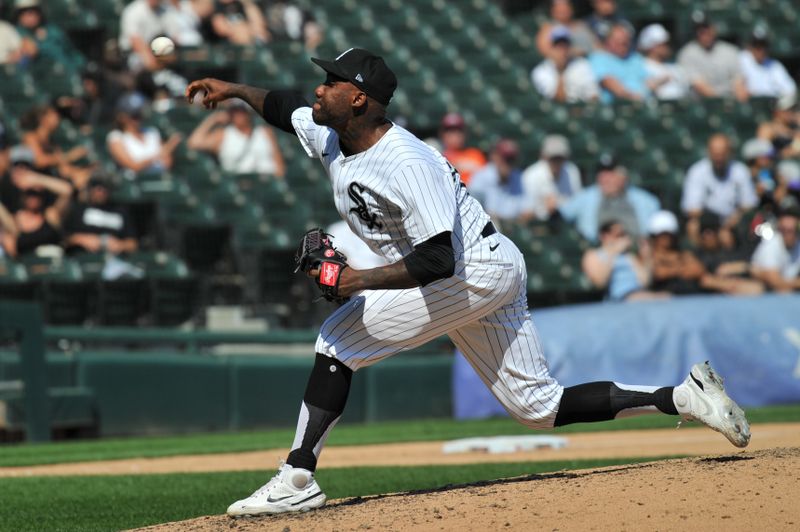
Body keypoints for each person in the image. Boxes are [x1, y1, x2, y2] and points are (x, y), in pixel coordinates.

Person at [186, 47, 750, 517]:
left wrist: (357, 280)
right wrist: (233, 89)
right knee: (538, 407)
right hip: (482, 268)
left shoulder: (408, 162)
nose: (318, 87)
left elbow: (437, 261)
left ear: (358, 98)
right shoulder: (332, 133)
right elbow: (283, 106)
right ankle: (681, 396)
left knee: (337, 341)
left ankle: (297, 477)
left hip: (472, 269)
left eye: (330, 81)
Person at [559, 153, 660, 242]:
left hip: (635, 254)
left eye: (610, 173)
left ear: (623, 176)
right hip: (599, 255)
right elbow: (561, 214)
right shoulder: (585, 198)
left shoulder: (646, 201)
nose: (604, 178)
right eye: (601, 173)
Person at [681, 134, 758, 246]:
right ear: (709, 152)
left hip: (734, 221)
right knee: (692, 226)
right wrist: (717, 223)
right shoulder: (697, 171)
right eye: (715, 154)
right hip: (706, 221)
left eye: (722, 154)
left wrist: (732, 220)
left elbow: (749, 204)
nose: (719, 159)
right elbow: (692, 209)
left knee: (732, 233)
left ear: (730, 153)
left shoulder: (740, 171)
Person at [187, 101, 285, 176]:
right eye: (234, 112)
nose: (238, 116)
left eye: (241, 112)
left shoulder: (264, 132)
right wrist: (213, 119)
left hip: (266, 181)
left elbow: (279, 164)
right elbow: (193, 143)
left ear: (248, 113)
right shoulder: (223, 135)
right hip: (240, 184)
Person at [8, 146, 72, 256]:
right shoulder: (12, 215)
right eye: (29, 194)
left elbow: (67, 191)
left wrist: (36, 179)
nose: (33, 197)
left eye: (36, 194)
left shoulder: (49, 214)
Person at [581, 219, 665, 302]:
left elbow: (645, 282)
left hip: (639, 294)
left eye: (624, 235)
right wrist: (613, 252)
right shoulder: (593, 255)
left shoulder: (629, 256)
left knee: (666, 297)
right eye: (618, 235)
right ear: (604, 236)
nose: (623, 238)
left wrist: (646, 256)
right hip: (619, 298)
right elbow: (600, 282)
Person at [107, 93, 182, 177]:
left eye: (140, 114)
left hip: (160, 180)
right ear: (122, 117)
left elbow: (167, 163)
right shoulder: (116, 137)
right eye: (134, 115)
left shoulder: (152, 132)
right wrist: (160, 154)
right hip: (136, 183)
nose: (138, 119)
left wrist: (162, 154)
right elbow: (133, 166)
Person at [677, 11, 747, 101]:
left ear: (713, 28)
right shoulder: (687, 53)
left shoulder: (730, 51)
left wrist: (738, 102)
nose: (704, 32)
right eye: (699, 29)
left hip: (731, 102)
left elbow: (738, 81)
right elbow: (699, 86)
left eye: (706, 27)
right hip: (702, 104)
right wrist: (721, 103)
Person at [19, 104, 93, 189]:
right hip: (32, 183)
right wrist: (69, 156)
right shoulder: (30, 137)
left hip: (50, 183)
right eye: (54, 115)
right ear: (43, 119)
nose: (58, 118)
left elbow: (64, 169)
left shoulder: (52, 144)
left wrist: (85, 171)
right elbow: (39, 160)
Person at [64, 174, 138, 256]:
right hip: (84, 257)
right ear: (91, 189)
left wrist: (120, 245)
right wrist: (85, 239)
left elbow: (132, 243)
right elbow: (67, 238)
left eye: (105, 189)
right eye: (99, 189)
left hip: (114, 259)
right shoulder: (79, 209)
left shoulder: (120, 211)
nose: (102, 192)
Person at [694, 213, 764, 296]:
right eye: (704, 231)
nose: (708, 235)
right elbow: (706, 281)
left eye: (713, 230)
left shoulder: (740, 250)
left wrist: (740, 267)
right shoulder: (700, 256)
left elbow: (757, 274)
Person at [468, 139, 531, 222]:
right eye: (504, 158)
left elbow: (527, 211)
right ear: (495, 157)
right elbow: (471, 209)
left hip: (512, 229)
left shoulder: (519, 178)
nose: (507, 163)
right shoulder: (481, 176)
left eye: (511, 159)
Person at [521, 134, 582, 220]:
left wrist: (557, 206)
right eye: (553, 158)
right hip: (538, 225)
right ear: (545, 157)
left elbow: (578, 203)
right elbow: (526, 212)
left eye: (560, 158)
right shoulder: (531, 175)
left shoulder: (572, 171)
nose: (557, 162)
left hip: (566, 220)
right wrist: (545, 209)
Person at [531, 26, 599, 103]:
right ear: (551, 48)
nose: (562, 50)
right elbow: (558, 101)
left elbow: (594, 96)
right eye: (558, 46)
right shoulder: (541, 71)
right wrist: (560, 71)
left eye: (565, 45)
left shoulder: (581, 64)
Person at [647, 210, 706, 296]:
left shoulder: (683, 254)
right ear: (654, 236)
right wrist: (681, 269)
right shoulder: (649, 255)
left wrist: (672, 269)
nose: (666, 238)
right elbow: (658, 273)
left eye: (669, 234)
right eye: (662, 234)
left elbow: (698, 270)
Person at [13, 0, 84, 70]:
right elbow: (19, 66)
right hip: (40, 77)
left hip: (66, 73)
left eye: (34, 11)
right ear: (19, 15)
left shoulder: (52, 30)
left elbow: (71, 52)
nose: (30, 15)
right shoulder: (15, 34)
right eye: (24, 12)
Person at [588, 23, 649, 103]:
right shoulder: (599, 58)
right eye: (618, 41)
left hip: (643, 103)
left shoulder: (635, 57)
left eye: (625, 42)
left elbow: (650, 81)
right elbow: (612, 85)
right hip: (617, 107)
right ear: (608, 41)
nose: (623, 44)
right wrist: (636, 97)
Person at [739, 26, 796, 99]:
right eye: (756, 45)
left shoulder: (775, 66)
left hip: (771, 105)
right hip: (749, 105)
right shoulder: (742, 59)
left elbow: (790, 90)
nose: (760, 49)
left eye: (763, 45)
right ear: (750, 46)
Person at [750, 208, 800, 292]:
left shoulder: (798, 244)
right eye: (783, 230)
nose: (787, 234)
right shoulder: (770, 245)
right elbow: (775, 282)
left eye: (791, 231)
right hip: (763, 295)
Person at [638, 23, 689, 101]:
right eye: (663, 44)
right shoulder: (642, 66)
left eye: (667, 43)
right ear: (652, 47)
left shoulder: (674, 66)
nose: (667, 46)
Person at [438, 112, 486, 186]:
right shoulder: (437, 154)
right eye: (450, 130)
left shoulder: (475, 154)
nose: (455, 134)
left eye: (458, 129)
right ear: (442, 134)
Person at [119, 0, 167, 72]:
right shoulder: (133, 11)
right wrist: (152, 61)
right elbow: (135, 41)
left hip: (159, 53)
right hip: (134, 55)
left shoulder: (165, 10)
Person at [757, 94, 800, 159]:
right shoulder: (767, 128)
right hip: (779, 165)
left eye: (793, 108)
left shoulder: (795, 124)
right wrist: (783, 153)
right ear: (777, 112)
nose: (791, 112)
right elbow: (763, 154)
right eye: (788, 110)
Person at [741, 137, 776, 202]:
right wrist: (756, 194)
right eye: (766, 156)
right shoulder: (743, 175)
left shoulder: (765, 175)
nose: (769, 159)